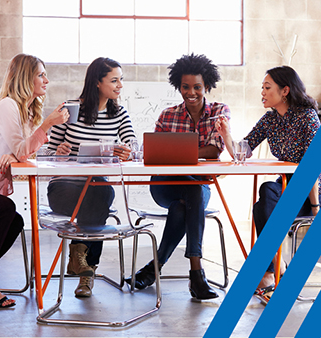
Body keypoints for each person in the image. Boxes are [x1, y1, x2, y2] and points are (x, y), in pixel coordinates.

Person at [125, 53, 231, 300]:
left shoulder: (219, 111)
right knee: (189, 194)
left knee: (184, 205)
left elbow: (215, 151)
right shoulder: (167, 115)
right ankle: (196, 276)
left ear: (207, 86)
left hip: (198, 185)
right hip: (166, 183)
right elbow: (156, 152)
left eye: (197, 87)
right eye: (185, 87)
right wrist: (194, 152)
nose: (191, 92)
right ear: (178, 86)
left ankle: (157, 268)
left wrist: (176, 151)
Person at [0, 53, 69, 308]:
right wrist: (47, 125)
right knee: (6, 209)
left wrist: (48, 151)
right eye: (40, 74)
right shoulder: (8, 106)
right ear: (26, 78)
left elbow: (23, 151)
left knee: (15, 221)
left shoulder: (25, 112)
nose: (46, 79)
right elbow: (23, 148)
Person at [215, 65, 321, 293]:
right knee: (264, 200)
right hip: (287, 186)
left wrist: (315, 207)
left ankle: (270, 271)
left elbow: (313, 166)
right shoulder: (270, 120)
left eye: (267, 87)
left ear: (285, 90)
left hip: (314, 188)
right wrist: (226, 134)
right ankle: (275, 266)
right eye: (262, 87)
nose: (262, 92)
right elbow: (241, 152)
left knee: (264, 201)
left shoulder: (308, 118)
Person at [46, 57, 136, 298]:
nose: (120, 86)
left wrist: (127, 151)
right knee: (101, 195)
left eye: (121, 80)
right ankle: (84, 267)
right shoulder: (70, 109)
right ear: (97, 82)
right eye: (114, 80)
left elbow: (133, 145)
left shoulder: (119, 113)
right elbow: (45, 153)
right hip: (64, 190)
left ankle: (82, 266)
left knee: (100, 191)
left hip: (95, 189)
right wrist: (59, 152)